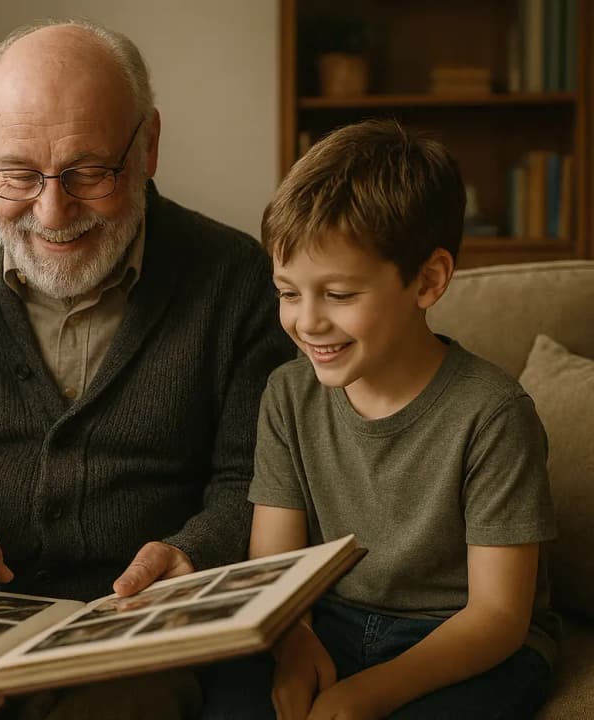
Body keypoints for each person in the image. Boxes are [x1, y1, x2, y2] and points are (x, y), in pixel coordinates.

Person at [0, 18, 292, 720]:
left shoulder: (239, 285)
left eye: (88, 172)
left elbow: (254, 481)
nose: (52, 210)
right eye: (17, 173)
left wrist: (193, 553)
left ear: (148, 145)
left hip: (129, 623)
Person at [216, 119, 557, 719]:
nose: (307, 322)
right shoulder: (286, 395)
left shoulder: (493, 413)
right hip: (330, 624)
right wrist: (293, 645)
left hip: (462, 636)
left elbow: (499, 616)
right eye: (288, 292)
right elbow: (274, 568)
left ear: (428, 280)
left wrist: (369, 693)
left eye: (340, 295)